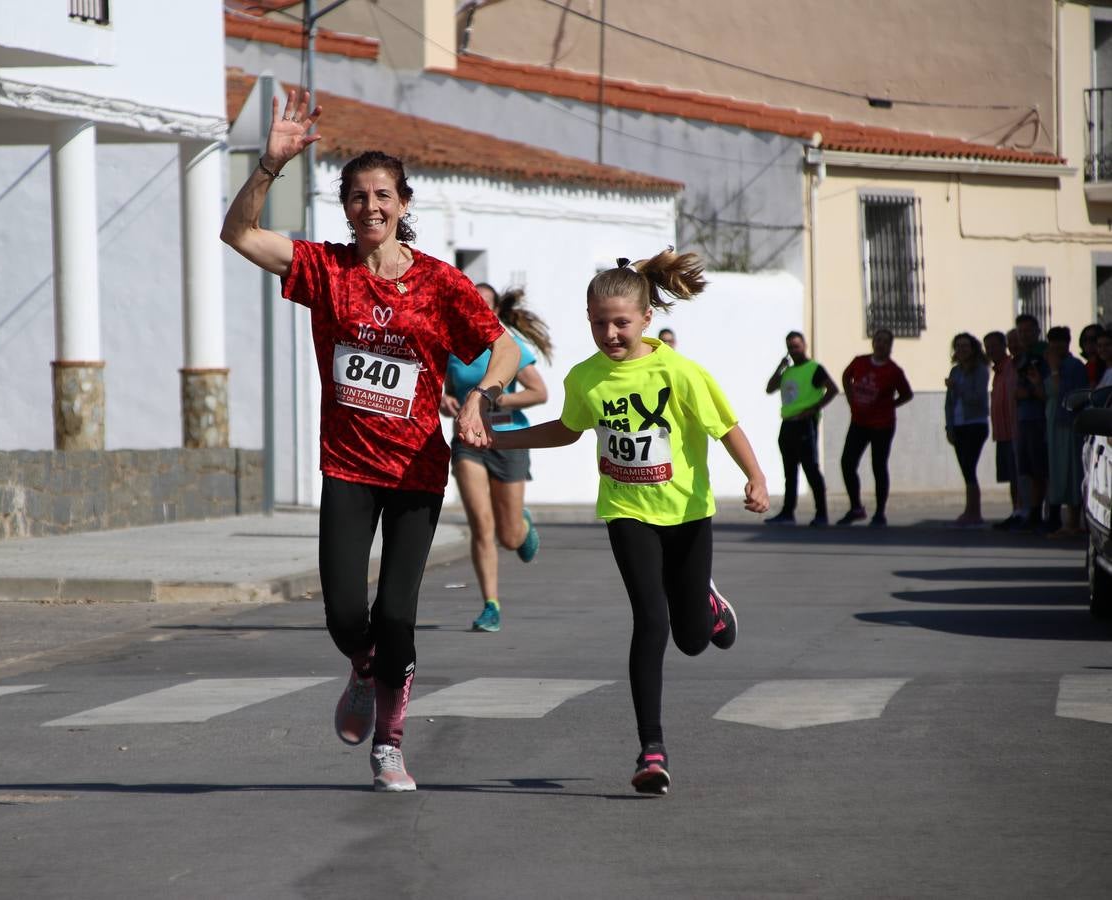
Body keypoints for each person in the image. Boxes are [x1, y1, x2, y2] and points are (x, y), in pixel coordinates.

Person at [220, 91, 521, 793]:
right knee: (346, 616)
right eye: (356, 197)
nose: (370, 207)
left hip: (417, 469)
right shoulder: (326, 271)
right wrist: (268, 165)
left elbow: (502, 346)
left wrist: (478, 396)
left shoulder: (441, 284)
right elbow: (238, 234)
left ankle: (390, 743)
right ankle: (361, 665)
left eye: (382, 195)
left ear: (403, 201)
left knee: (397, 613)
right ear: (345, 207)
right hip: (349, 467)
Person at [492, 250, 769, 796]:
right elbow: (567, 430)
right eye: (599, 323)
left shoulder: (679, 371)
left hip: (687, 512)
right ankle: (651, 748)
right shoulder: (586, 379)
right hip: (626, 510)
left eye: (621, 322)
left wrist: (756, 477)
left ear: (645, 318)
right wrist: (503, 437)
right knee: (650, 620)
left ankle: (708, 605)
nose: (611, 333)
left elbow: (727, 426)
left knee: (691, 639)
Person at [440, 284, 552, 632]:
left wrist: (493, 398)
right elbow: (438, 390)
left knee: (509, 537)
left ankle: (522, 524)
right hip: (469, 441)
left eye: (485, 306)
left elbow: (539, 392)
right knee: (480, 524)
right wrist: (445, 402)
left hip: (508, 439)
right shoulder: (452, 348)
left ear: (496, 312)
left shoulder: (511, 348)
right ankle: (491, 605)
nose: (478, 310)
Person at [836, 328, 913, 527]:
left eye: (885, 341)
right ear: (873, 343)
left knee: (878, 466)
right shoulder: (859, 361)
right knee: (847, 463)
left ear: (890, 346)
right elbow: (846, 377)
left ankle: (880, 513)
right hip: (859, 422)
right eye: (877, 340)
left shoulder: (894, 371)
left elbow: (907, 394)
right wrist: (851, 398)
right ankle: (856, 507)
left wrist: (890, 405)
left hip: (882, 425)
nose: (880, 344)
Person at [764, 331, 838, 526]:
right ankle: (788, 513)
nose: (793, 350)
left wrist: (813, 409)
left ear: (804, 345)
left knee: (811, 469)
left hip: (806, 424)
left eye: (796, 346)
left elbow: (833, 389)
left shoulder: (814, 369)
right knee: (790, 471)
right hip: (788, 424)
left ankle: (821, 514)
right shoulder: (787, 371)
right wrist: (780, 367)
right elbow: (770, 388)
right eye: (790, 347)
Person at [1036, 326, 1087, 538]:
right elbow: (1045, 395)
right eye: (1052, 342)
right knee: (1058, 472)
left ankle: (1073, 522)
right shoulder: (1050, 366)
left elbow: (1063, 393)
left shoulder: (1073, 366)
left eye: (1060, 342)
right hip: (1053, 425)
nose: (1056, 346)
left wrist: (1055, 369)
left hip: (1069, 426)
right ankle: (1068, 522)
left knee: (1072, 471)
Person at [944, 332, 990, 526]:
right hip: (958, 425)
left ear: (973, 349)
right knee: (965, 469)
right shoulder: (955, 371)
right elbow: (948, 402)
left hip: (975, 424)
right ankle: (969, 510)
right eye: (958, 346)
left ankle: (975, 512)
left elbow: (978, 397)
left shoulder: (980, 370)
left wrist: (958, 388)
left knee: (969, 467)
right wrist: (949, 425)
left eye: (965, 346)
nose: (961, 350)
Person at [1012, 314, 1049, 529]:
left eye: (1028, 331)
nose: (1024, 335)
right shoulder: (1023, 357)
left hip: (1038, 418)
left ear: (1037, 331)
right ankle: (1029, 511)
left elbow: (1043, 389)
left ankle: (1039, 513)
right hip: (1023, 419)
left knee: (1039, 469)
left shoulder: (1042, 356)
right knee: (1026, 469)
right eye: (1020, 331)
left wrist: (1028, 392)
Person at [984, 330, 1023, 530]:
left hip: (1016, 430)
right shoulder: (997, 371)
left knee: (1020, 474)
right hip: (1003, 432)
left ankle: (1024, 513)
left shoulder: (1012, 366)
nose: (990, 350)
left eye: (994, 346)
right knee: (1011, 475)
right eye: (987, 347)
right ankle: (1016, 511)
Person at [1079, 323, 1105, 388]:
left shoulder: (1107, 367)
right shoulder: (1081, 367)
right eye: (1085, 339)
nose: (1088, 343)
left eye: (1093, 339)